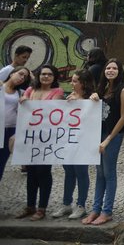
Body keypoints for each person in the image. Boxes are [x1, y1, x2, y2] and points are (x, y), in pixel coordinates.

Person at [83, 58, 124, 225]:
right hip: (98, 134)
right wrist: (93, 97)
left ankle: (107, 211)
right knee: (99, 173)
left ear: (119, 71)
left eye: (114, 68)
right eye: (108, 68)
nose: (111, 70)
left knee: (109, 174)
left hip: (112, 136)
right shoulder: (101, 88)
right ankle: (96, 209)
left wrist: (109, 139)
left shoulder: (123, 89)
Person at [17, 64, 64, 220]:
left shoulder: (57, 92)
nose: (46, 77)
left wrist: (29, 103)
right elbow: (24, 104)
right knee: (31, 173)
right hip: (31, 138)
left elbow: (52, 109)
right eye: (43, 74)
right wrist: (24, 100)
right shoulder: (31, 90)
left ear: (54, 77)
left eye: (49, 74)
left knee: (43, 172)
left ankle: (42, 208)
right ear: (38, 76)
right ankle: (30, 206)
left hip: (47, 138)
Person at [52, 69, 96, 220]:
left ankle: (81, 205)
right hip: (69, 140)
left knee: (81, 172)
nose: (72, 83)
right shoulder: (69, 97)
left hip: (84, 141)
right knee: (69, 171)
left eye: (75, 81)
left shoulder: (92, 98)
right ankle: (66, 203)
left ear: (83, 83)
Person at [0, 68, 30, 184]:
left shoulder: (21, 93)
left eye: (25, 77)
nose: (22, 78)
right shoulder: (1, 86)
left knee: (2, 162)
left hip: (10, 130)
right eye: (20, 74)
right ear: (12, 73)